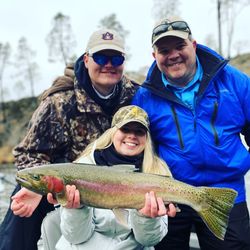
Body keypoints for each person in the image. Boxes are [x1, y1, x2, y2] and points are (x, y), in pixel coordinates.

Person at [0, 28, 140, 250]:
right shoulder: (59, 102)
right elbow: (27, 154)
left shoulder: (136, 96)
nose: (109, 64)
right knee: (23, 199)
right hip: (64, 188)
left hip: (120, 187)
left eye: (116, 58)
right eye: (101, 57)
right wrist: (40, 190)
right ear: (86, 60)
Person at [132, 16, 250, 250]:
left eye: (180, 46)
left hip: (226, 191)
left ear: (193, 45)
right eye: (164, 50)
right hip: (170, 194)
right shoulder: (144, 98)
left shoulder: (233, 81)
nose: (173, 54)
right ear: (154, 56)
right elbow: (138, 149)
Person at [41, 105, 176, 250]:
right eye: (125, 129)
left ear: (146, 138)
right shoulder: (83, 167)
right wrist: (75, 210)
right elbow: (76, 237)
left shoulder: (157, 173)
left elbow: (149, 240)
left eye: (139, 131)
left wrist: (147, 219)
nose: (132, 135)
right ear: (112, 132)